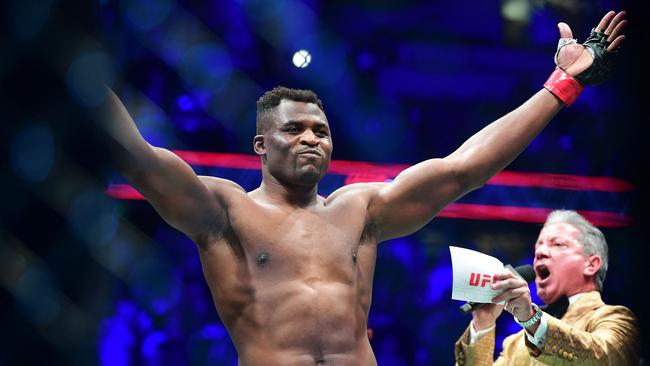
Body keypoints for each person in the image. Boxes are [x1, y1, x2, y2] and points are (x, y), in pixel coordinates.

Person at [99, 11, 626, 366]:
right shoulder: (223, 210)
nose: (311, 139)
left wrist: (563, 85)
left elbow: (465, 168)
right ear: (260, 145)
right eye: (294, 130)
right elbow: (136, 157)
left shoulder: (361, 209)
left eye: (321, 131)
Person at [453, 210, 640, 365]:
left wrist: (531, 320)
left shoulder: (616, 319)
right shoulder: (515, 343)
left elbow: (603, 358)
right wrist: (483, 323)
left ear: (591, 265)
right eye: (538, 247)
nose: (540, 252)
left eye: (558, 244)